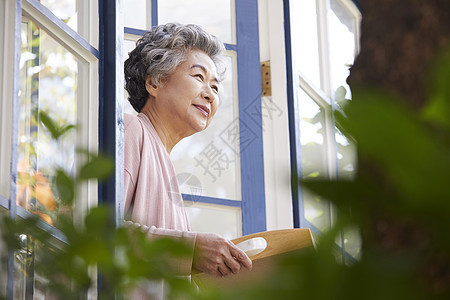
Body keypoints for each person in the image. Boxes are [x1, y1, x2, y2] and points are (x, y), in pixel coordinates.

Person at [123, 23, 252, 296]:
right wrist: (191, 250)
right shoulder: (130, 130)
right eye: (198, 77)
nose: (210, 94)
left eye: (215, 87)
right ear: (154, 81)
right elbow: (93, 230)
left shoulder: (167, 173)